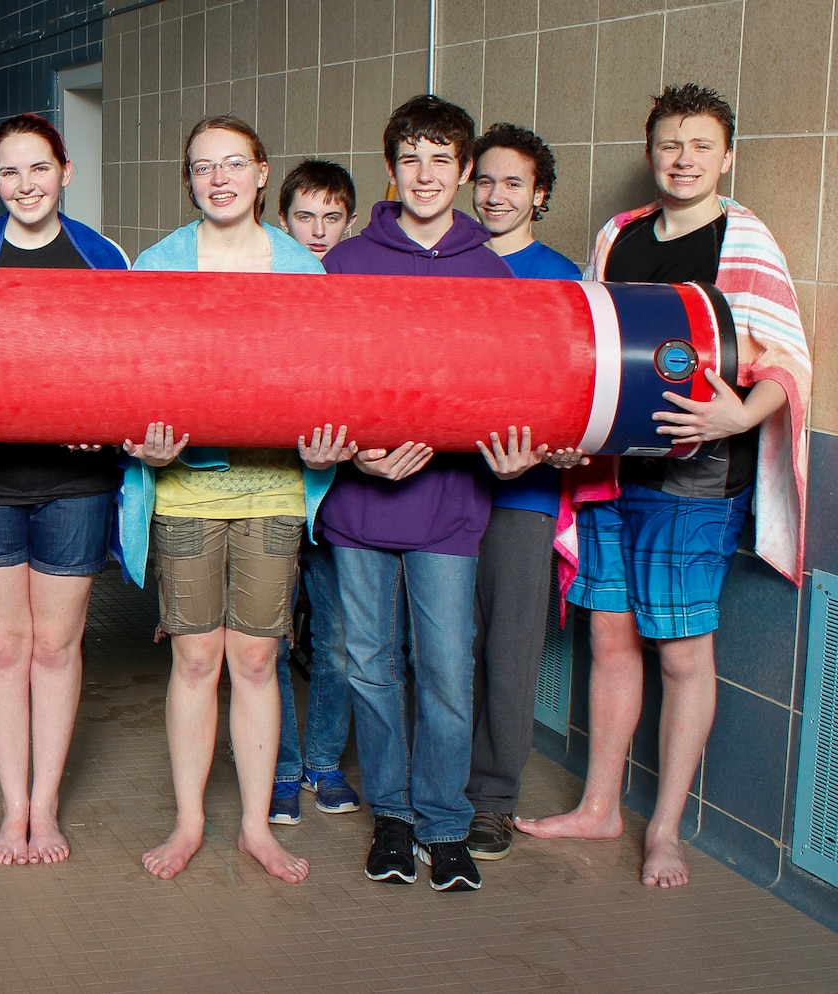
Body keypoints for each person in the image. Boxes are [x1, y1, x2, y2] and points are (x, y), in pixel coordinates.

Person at [519, 84, 811, 889]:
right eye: (671, 145)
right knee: (609, 641)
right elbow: (587, 338)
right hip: (613, 469)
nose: (684, 160)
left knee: (682, 652)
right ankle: (600, 807)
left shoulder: (744, 240)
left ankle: (667, 832)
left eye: (701, 146)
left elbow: (789, 356)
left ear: (728, 157)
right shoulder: (620, 235)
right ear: (652, 154)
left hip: (697, 478)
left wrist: (735, 417)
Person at [318, 95, 532, 893]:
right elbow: (318, 380)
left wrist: (515, 453)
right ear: (391, 170)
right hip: (359, 506)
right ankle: (394, 819)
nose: (426, 174)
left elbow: (512, 390)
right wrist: (357, 455)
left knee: (446, 668)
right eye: (411, 158)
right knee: (372, 668)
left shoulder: (493, 273)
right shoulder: (344, 264)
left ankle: (445, 824)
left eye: (442, 159)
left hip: (449, 509)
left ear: (465, 171)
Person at [130, 116, 353, 884]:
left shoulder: (302, 273)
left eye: (232, 164)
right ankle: (190, 820)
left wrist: (325, 445)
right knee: (195, 658)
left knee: (257, 659)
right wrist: (142, 441)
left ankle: (257, 826)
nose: (217, 178)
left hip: (272, 488)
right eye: (201, 167)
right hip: (187, 489)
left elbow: (324, 385)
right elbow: (133, 380)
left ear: (263, 174)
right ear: (189, 180)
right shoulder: (156, 268)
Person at [0, 113, 129, 866]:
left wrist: (107, 427)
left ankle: (45, 810)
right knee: (1, 644)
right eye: (10, 173)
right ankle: (11, 807)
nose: (25, 185)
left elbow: (124, 365)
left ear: (65, 171)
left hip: (74, 480)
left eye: (38, 169)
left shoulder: (102, 256)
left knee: (55, 645)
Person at [459, 124, 581, 861]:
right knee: (441, 653)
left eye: (514, 183)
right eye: (487, 181)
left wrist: (555, 451)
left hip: (525, 498)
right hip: (442, 494)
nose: (497, 195)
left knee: (507, 659)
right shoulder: (451, 266)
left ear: (540, 194)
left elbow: (581, 394)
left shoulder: (564, 281)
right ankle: (433, 788)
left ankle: (492, 802)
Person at [271, 158, 363, 826]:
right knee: (265, 644)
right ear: (282, 221)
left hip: (340, 506)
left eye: (333, 217)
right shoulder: (265, 287)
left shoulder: (360, 293)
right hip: (272, 495)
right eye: (305, 216)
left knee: (337, 644)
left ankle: (323, 761)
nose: (319, 230)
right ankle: (278, 767)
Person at [276, 159, 357, 259]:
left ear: (348, 223)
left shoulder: (361, 270)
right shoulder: (265, 270)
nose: (319, 232)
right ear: (284, 220)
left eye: (331, 218)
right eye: (305, 218)